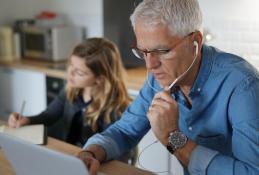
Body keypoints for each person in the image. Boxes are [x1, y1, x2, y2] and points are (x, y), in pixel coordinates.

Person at [77, 0, 259, 175]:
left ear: (195, 41)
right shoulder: (160, 79)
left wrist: (173, 138)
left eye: (162, 51)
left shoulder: (243, 86)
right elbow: (124, 130)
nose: (150, 65)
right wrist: (90, 153)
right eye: (143, 52)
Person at [8, 37, 137, 163]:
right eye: (71, 65)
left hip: (94, 163)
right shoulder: (71, 91)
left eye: (79, 73)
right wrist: (28, 120)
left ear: (100, 79)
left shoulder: (116, 109)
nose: (70, 74)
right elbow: (48, 116)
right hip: (70, 157)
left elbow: (119, 153)